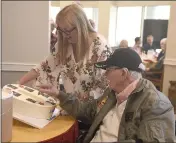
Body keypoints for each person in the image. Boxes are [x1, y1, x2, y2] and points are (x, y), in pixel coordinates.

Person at [38, 48, 175, 143]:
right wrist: (58, 94)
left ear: (123, 73)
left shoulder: (156, 104)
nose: (104, 74)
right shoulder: (113, 93)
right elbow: (87, 110)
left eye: (108, 70)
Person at [18, 4, 111, 100]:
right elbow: (44, 67)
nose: (65, 35)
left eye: (67, 31)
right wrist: (19, 84)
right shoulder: (65, 43)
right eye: (61, 31)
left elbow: (104, 87)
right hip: (69, 106)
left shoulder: (100, 46)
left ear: (80, 26)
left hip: (91, 110)